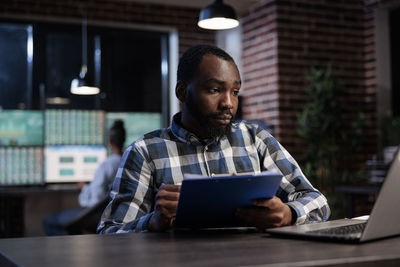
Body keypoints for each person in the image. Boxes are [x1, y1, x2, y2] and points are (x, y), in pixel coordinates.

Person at [97, 45, 330, 234]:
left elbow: (317, 201)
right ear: (182, 92)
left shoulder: (256, 139)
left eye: (235, 92)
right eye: (214, 90)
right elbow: (109, 232)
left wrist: (288, 214)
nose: (228, 103)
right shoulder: (144, 152)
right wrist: (152, 222)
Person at [43, 120, 126, 236]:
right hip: (116, 215)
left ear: (110, 143)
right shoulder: (127, 162)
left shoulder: (107, 165)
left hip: (97, 215)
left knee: (49, 222)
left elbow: (96, 199)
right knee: (73, 226)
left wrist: (84, 188)